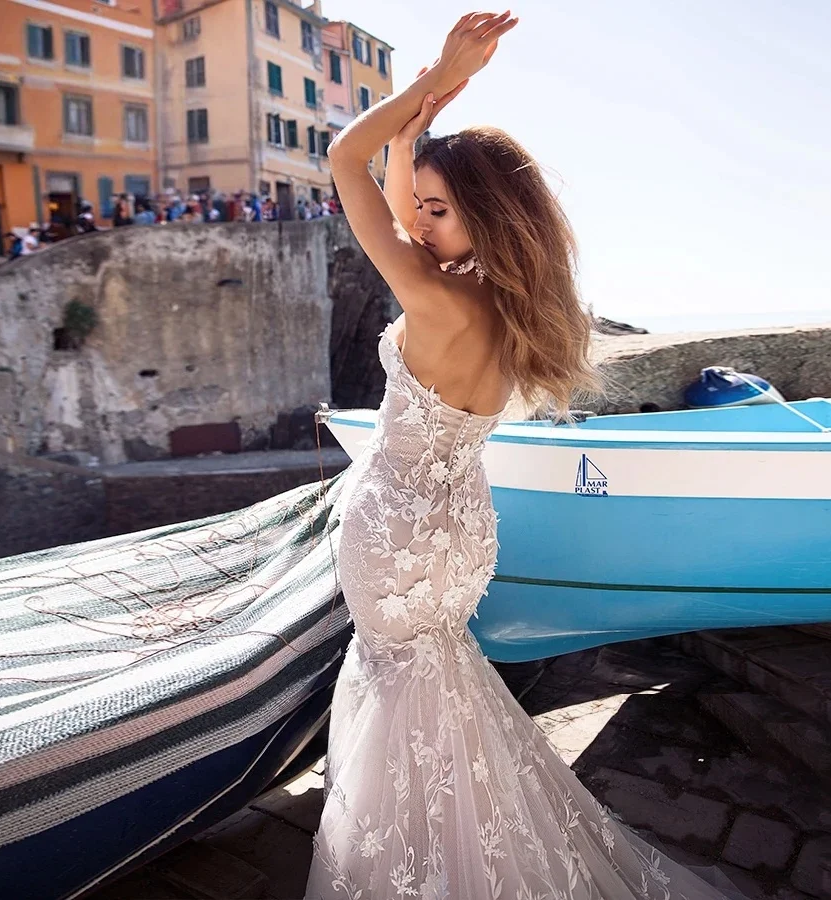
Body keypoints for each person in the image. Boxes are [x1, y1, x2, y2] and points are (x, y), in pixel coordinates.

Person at [304, 12, 744, 900]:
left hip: (399, 539)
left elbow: (345, 162)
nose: (417, 224)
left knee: (401, 705)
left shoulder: (433, 298)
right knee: (438, 698)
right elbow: (393, 190)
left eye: (438, 211)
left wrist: (430, 78)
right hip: (458, 534)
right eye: (421, 208)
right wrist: (424, 122)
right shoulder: (503, 307)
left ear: (487, 218)